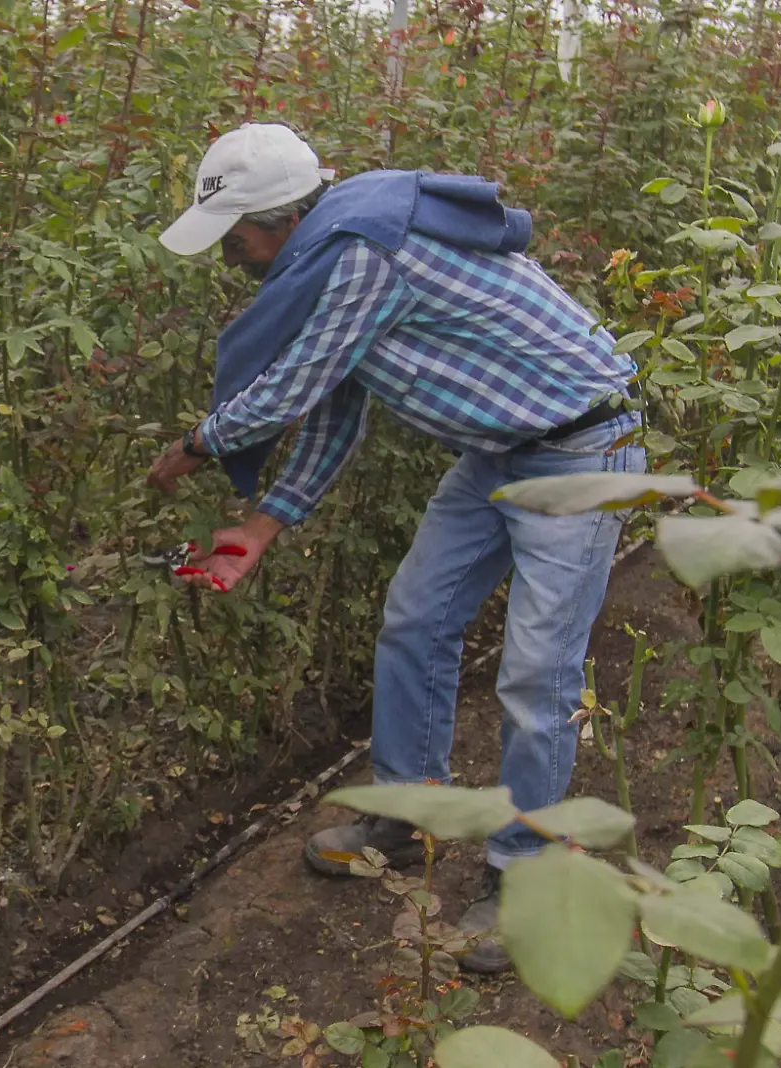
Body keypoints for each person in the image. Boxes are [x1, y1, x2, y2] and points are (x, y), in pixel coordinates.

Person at [145, 122, 642, 974]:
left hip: (580, 453)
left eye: (233, 239)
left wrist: (192, 448)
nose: (232, 258)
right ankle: (405, 819)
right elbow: (338, 396)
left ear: (273, 222)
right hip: (498, 454)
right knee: (415, 619)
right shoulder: (342, 250)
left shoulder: (362, 255)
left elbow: (294, 389)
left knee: (534, 675)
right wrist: (265, 523)